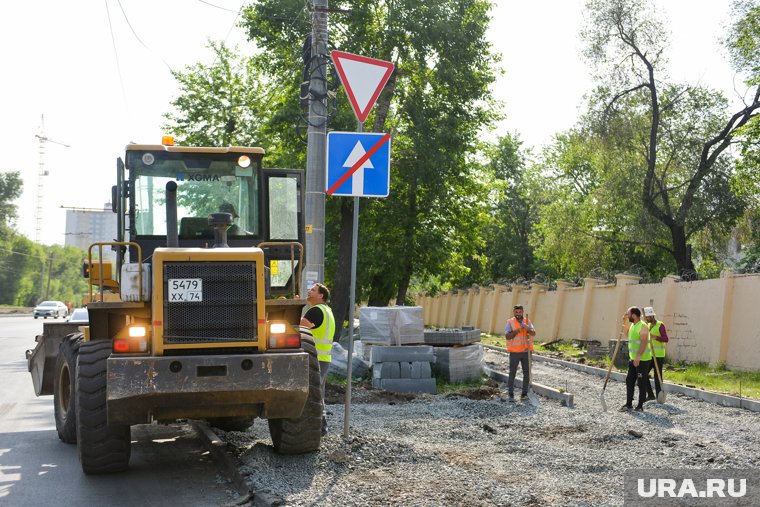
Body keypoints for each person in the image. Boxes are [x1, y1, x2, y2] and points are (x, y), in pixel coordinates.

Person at [300, 282, 336, 435]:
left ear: (321, 295)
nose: (309, 291)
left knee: (312, 395)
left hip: (313, 358)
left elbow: (298, 328)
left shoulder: (315, 311)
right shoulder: (328, 311)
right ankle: (322, 427)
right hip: (324, 359)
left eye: (313, 290)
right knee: (318, 394)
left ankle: (320, 428)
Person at [620, 306, 652, 412]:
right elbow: (626, 333)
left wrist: (638, 356)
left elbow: (643, 342)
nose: (627, 315)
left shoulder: (643, 326)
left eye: (628, 314)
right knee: (629, 380)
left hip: (642, 360)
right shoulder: (633, 325)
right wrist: (624, 320)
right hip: (633, 359)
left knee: (641, 382)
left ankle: (640, 406)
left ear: (634, 315)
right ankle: (628, 404)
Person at [504, 304, 536, 402]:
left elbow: (533, 333)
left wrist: (527, 328)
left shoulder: (527, 321)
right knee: (512, 373)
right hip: (515, 352)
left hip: (526, 352)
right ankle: (510, 395)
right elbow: (507, 336)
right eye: (516, 312)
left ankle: (524, 395)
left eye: (520, 312)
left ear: (522, 312)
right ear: (514, 312)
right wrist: (517, 330)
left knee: (527, 373)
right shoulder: (510, 322)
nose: (518, 314)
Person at [643, 306, 668, 401]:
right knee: (643, 374)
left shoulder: (660, 325)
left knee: (657, 376)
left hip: (658, 355)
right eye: (645, 317)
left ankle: (659, 396)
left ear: (652, 316)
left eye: (647, 317)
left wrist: (656, 337)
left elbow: (666, 339)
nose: (646, 319)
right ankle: (650, 394)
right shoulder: (648, 326)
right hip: (649, 355)